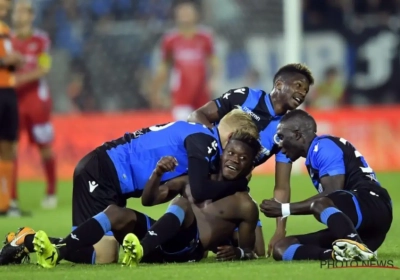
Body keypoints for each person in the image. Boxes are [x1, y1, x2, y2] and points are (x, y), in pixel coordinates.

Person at [0, 109, 259, 265]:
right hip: (105, 172)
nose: (235, 158)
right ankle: (29, 240)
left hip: (108, 170)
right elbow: (200, 191)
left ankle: (31, 242)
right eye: (235, 150)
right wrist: (239, 183)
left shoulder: (199, 135)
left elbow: (168, 195)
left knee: (101, 245)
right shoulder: (206, 142)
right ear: (229, 138)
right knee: (103, 254)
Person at [188, 63, 314, 255]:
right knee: (197, 246)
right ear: (279, 84)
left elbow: (282, 186)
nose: (302, 93)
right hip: (207, 179)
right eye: (298, 85)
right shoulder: (246, 97)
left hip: (236, 189)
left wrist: (280, 229)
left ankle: (220, 235)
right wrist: (218, 152)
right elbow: (197, 116)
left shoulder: (286, 130)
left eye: (305, 90)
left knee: (256, 252)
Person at [259, 109, 392, 261]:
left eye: (281, 137)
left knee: (322, 202)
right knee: (282, 248)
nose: (279, 145)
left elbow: (333, 192)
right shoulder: (315, 154)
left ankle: (354, 245)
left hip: (372, 204)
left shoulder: (323, 146)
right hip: (355, 225)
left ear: (297, 135)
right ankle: (339, 254)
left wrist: (283, 209)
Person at [9, 0, 56, 216]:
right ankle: (11, 197)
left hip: (37, 101)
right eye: (17, 11)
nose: (19, 15)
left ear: (31, 15)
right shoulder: (6, 39)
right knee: (10, 148)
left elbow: (44, 68)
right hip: (13, 101)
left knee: (44, 147)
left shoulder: (41, 40)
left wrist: (17, 79)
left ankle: (51, 191)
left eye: (24, 11)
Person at [150, 1, 219, 121]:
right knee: (183, 128)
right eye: (182, 12)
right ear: (176, 15)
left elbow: (214, 61)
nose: (185, 15)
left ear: (196, 15)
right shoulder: (170, 39)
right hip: (182, 93)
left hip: (202, 91)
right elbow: (164, 66)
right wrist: (157, 90)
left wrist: (214, 79)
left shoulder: (205, 37)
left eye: (188, 11)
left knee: (204, 128)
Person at [0, 0, 24, 215]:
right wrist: (6, 60)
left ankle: (4, 203)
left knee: (8, 145)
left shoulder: (5, 30)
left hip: (7, 91)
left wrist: (14, 60)